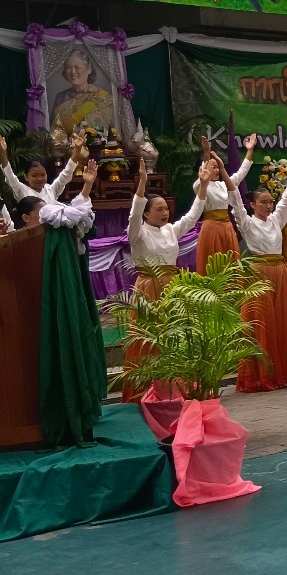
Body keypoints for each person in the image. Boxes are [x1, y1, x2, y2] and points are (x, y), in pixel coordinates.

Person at [227, 149, 287, 393]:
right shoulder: (247, 223)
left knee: (280, 323)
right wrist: (225, 174)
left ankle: (284, 371)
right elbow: (235, 201)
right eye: (263, 203)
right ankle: (261, 374)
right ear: (252, 205)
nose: (269, 206)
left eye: (270, 202)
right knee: (262, 324)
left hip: (279, 273)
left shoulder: (276, 220)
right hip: (258, 275)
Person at [122, 159, 211, 402]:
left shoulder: (171, 230)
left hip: (173, 288)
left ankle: (177, 386)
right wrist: (142, 183)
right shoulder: (137, 233)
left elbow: (192, 216)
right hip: (149, 288)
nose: (164, 213)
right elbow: (134, 215)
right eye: (158, 209)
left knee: (175, 336)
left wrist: (203, 185)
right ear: (146, 213)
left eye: (166, 209)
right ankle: (147, 389)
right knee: (150, 338)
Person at [197, 134, 255, 274]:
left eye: (218, 167)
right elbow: (205, 173)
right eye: (213, 167)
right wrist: (206, 153)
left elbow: (241, 173)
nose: (216, 170)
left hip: (227, 227)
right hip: (211, 228)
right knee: (213, 262)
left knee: (230, 263)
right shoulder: (200, 186)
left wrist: (250, 150)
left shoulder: (224, 185)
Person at [0, 134, 82, 205]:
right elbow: (9, 175)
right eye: (34, 176)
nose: (39, 179)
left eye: (43, 175)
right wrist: (3, 153)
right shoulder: (21, 190)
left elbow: (66, 173)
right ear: (26, 177)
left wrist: (78, 149)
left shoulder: (51, 190)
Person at [51, 50, 114, 134]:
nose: (73, 72)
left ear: (89, 69)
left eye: (77, 67)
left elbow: (106, 130)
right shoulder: (60, 97)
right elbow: (54, 130)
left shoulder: (102, 96)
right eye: (68, 67)